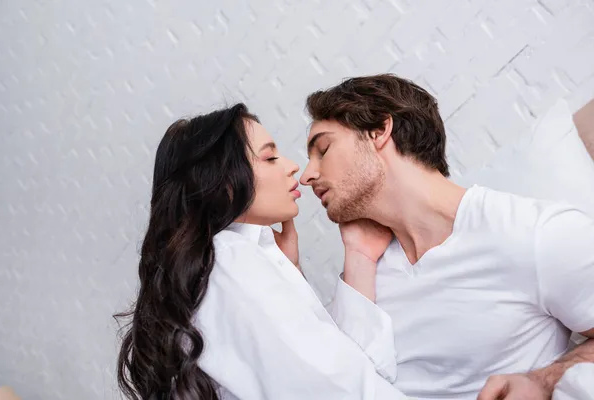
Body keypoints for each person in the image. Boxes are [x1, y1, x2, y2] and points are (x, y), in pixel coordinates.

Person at [299, 74, 594, 400]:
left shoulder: (533, 234)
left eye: (323, 149)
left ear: (380, 131)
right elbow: (344, 383)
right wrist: (357, 255)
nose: (306, 175)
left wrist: (544, 381)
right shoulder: (364, 272)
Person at [114, 104, 408, 400]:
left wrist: (296, 271)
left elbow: (345, 369)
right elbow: (342, 388)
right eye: (270, 157)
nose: (293, 166)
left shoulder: (217, 267)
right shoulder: (228, 258)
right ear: (223, 183)